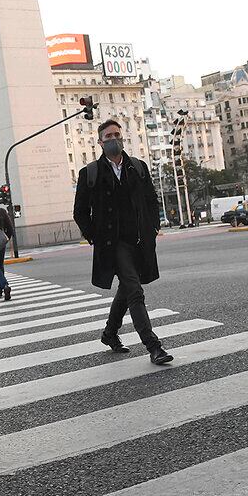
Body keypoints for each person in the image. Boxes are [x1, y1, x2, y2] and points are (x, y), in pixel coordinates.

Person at [73, 120, 174, 365]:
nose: (113, 139)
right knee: (135, 291)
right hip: (112, 244)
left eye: (117, 134)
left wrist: (153, 227)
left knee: (127, 289)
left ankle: (109, 333)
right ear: (100, 142)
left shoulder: (138, 167)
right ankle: (154, 346)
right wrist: (94, 237)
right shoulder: (90, 173)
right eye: (108, 136)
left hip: (139, 240)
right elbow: (79, 212)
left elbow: (151, 200)